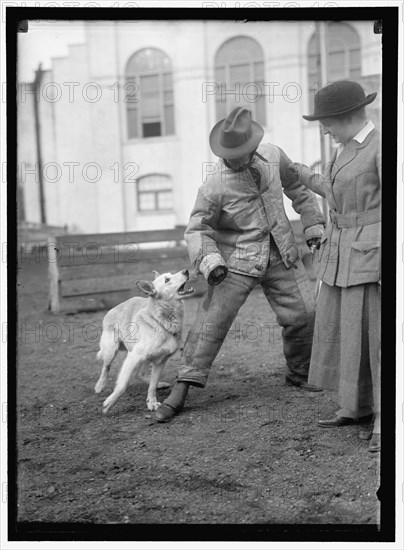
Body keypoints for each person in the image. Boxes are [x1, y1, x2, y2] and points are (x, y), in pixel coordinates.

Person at [154, 106, 326, 423]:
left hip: (282, 254)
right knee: (211, 322)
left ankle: (299, 373)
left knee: (306, 311)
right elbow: (196, 230)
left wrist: (313, 225)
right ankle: (182, 387)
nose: (234, 159)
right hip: (236, 262)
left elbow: (298, 189)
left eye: (241, 152)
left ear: (253, 146)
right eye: (229, 154)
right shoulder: (214, 185)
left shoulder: (274, 156)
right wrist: (210, 262)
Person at [292, 80, 381, 452]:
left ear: (344, 117)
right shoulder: (344, 148)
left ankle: (387, 418)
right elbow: (335, 191)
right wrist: (297, 171)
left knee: (379, 341)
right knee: (348, 334)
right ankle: (356, 406)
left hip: (371, 254)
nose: (323, 129)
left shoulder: (382, 145)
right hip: (341, 252)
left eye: (325, 121)